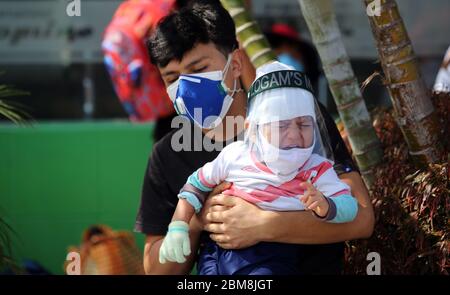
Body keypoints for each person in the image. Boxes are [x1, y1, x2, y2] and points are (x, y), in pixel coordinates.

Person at [135, 0, 374, 275]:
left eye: (199, 69)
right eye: (172, 78)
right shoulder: (168, 155)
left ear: (235, 63)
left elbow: (362, 219)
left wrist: (264, 224)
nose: (186, 87)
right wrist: (196, 222)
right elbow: (154, 268)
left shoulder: (296, 117)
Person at [158, 62, 358, 275]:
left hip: (271, 257)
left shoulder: (317, 169)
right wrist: (178, 226)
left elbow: (350, 208)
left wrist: (327, 206)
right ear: (252, 130)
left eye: (303, 124)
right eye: (280, 125)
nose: (293, 134)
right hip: (215, 252)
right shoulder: (234, 155)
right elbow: (195, 184)